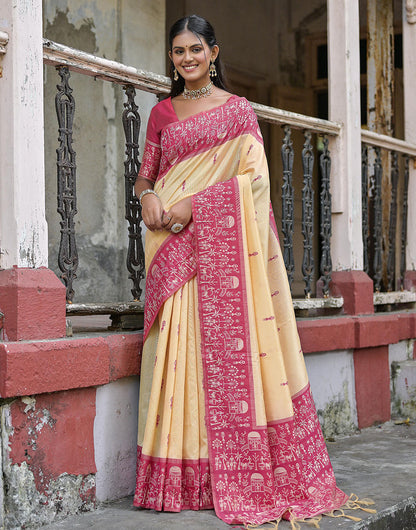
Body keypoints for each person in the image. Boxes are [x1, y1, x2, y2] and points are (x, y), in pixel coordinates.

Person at [133, 14, 349, 527]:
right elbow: (146, 174)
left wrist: (196, 206)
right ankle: (181, 475)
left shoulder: (237, 112)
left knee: (222, 355)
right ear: (172, 58)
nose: (187, 59)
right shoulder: (162, 113)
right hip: (170, 247)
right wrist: (146, 199)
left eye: (195, 50)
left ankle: (234, 473)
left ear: (213, 52)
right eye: (178, 52)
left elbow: (253, 182)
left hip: (217, 245)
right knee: (177, 355)